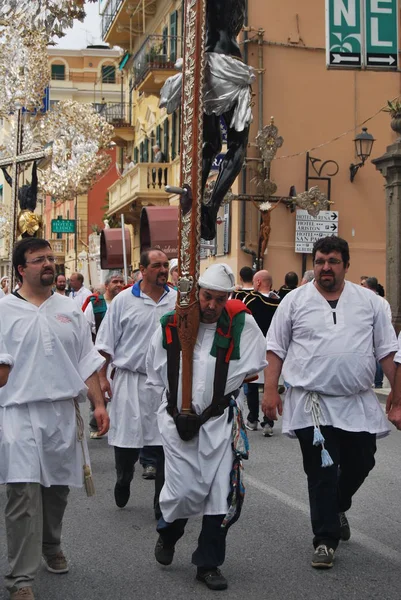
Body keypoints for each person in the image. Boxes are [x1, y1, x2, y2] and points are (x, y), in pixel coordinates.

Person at [262, 236, 398, 570]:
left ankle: (337, 506)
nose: (325, 267)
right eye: (320, 260)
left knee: (362, 461)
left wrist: (397, 395)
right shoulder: (294, 302)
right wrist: (269, 391)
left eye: (333, 261)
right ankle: (325, 539)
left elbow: (386, 352)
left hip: (356, 400)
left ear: (346, 265)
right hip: (312, 403)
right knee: (322, 470)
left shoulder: (371, 303)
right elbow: (275, 348)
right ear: (314, 264)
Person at [0, 237, 109, 600]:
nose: (49, 264)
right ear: (21, 268)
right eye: (39, 259)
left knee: (57, 492)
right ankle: (21, 579)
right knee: (22, 494)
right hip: (18, 413)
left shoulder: (70, 309)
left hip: (63, 412)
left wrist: (98, 404)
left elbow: (87, 361)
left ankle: (51, 543)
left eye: (51, 258)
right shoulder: (3, 310)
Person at [147, 263, 266, 591]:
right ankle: (168, 533)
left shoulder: (242, 324)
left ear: (228, 297)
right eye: (206, 297)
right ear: (196, 293)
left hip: (218, 425)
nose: (212, 305)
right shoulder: (171, 324)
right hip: (177, 424)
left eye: (220, 298)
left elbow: (252, 369)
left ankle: (208, 563)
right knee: (184, 490)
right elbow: (154, 370)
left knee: (219, 496)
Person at [160, 0, 255, 241]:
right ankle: (210, 206)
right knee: (237, 145)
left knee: (209, 143)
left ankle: (196, 197)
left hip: (205, 65)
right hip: (230, 63)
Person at [95, 249, 177, 516]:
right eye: (156, 266)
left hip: (165, 383)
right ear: (142, 270)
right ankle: (123, 477)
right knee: (127, 441)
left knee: (166, 442)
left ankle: (160, 501)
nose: (163, 270)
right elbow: (105, 344)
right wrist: (101, 378)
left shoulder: (177, 300)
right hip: (130, 381)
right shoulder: (123, 301)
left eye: (165, 265)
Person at [83, 271, 125, 439]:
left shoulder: (127, 302)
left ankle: (118, 423)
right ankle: (96, 421)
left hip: (120, 356)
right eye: (115, 281)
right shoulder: (95, 304)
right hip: (99, 354)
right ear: (106, 285)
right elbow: (85, 330)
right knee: (99, 388)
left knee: (118, 391)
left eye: (121, 281)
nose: (119, 284)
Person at [243, 270, 281, 436]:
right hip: (274, 350)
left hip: (254, 348)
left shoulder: (251, 300)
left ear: (257, 282)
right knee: (269, 384)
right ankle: (268, 422)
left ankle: (252, 418)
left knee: (251, 383)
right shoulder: (281, 302)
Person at [364, 276, 393, 390]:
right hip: (378, 332)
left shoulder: (369, 300)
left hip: (373, 333)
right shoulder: (383, 301)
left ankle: (376, 381)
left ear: (367, 287)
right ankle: (378, 382)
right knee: (380, 357)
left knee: (378, 357)